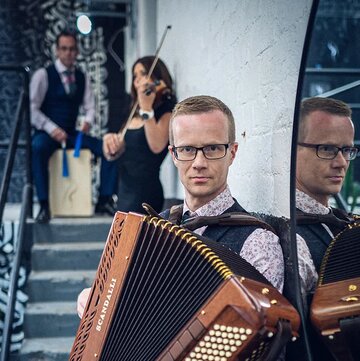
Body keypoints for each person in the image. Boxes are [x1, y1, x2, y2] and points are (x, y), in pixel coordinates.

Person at [77, 95, 284, 317]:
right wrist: (91, 298)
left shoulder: (258, 242)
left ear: (232, 153)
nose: (199, 163)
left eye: (212, 148)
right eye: (187, 150)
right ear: (173, 155)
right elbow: (111, 292)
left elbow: (265, 341)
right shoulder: (149, 229)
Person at [288, 97, 358, 360]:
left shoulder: (344, 222)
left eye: (347, 150)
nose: (341, 162)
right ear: (291, 150)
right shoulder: (287, 235)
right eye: (327, 149)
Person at [30, 29, 116, 223]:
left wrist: (87, 122)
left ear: (77, 52)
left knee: (108, 148)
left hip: (71, 134)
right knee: (37, 148)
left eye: (72, 49)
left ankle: (104, 200)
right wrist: (51, 129)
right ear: (57, 51)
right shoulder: (43, 75)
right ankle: (44, 205)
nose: (68, 53)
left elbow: (90, 107)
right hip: (47, 134)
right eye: (64, 49)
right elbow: (32, 109)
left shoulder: (82, 76)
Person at [102, 56, 177, 213]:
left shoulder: (165, 110)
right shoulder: (132, 111)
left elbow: (157, 146)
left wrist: (146, 107)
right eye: (135, 75)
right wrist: (111, 146)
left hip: (146, 193)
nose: (137, 80)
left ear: (157, 78)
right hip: (124, 190)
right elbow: (120, 152)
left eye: (143, 74)